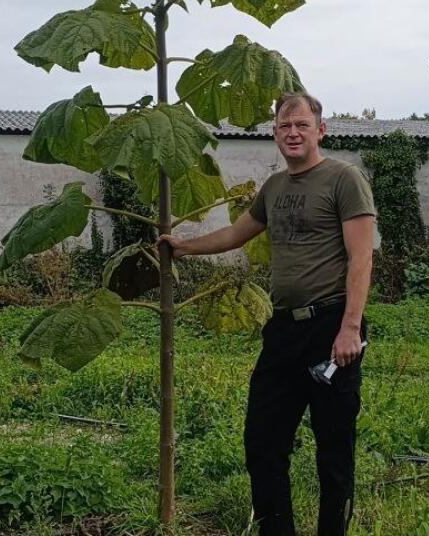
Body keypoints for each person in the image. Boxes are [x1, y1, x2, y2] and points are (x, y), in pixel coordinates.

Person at [160, 93, 376, 535]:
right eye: (284, 127)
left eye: (302, 125)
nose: (293, 133)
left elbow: (361, 258)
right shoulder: (274, 188)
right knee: (262, 441)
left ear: (321, 130)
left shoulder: (344, 178)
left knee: (334, 450)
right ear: (275, 133)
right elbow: (236, 234)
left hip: (331, 327)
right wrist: (182, 247)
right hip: (283, 331)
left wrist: (350, 328)